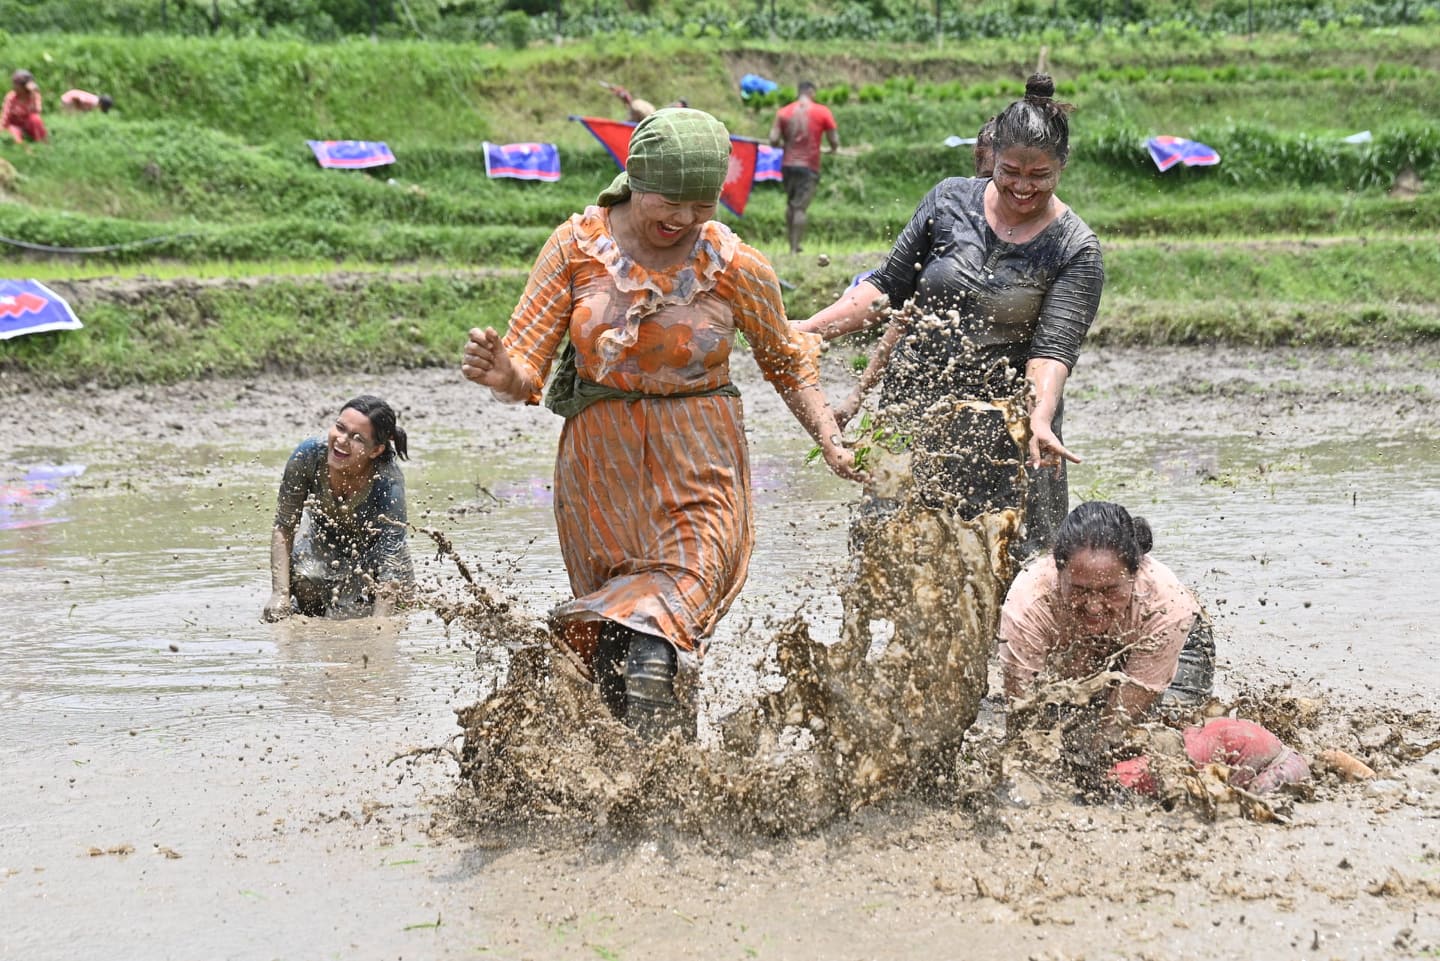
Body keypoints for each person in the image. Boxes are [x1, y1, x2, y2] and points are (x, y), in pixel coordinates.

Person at [460, 107, 861, 738]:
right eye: (668, 204)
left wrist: (830, 441)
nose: (683, 221)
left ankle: (667, 792)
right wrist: (501, 373)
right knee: (617, 648)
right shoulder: (575, 248)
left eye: (701, 208)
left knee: (662, 622)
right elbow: (527, 370)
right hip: (601, 472)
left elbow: (785, 360)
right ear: (635, 181)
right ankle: (646, 783)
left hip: (700, 461)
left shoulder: (734, 265)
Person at [796, 75, 1102, 563]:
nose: (1024, 187)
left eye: (1039, 175)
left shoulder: (1075, 248)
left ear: (1061, 167)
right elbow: (885, 288)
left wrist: (1040, 418)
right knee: (891, 555)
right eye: (1011, 171)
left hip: (1008, 431)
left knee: (1009, 565)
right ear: (992, 158)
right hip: (914, 411)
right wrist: (806, 329)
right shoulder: (948, 200)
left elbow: (1051, 351)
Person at [831, 115, 1000, 431]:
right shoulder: (952, 216)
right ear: (977, 164)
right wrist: (856, 397)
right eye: (988, 176)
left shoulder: (1041, 237)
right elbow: (904, 315)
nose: (993, 188)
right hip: (918, 391)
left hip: (993, 403)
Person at [998, 501, 1217, 723]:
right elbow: (1021, 714)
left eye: (1110, 590)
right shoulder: (1028, 605)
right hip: (1080, 652)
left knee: (1163, 728)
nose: (1094, 606)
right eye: (1079, 589)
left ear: (1135, 574)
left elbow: (1117, 724)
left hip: (1178, 645)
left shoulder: (1165, 603)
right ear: (1058, 572)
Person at [263, 395, 415, 622]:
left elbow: (390, 560)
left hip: (377, 558)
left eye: (357, 438)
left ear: (375, 450)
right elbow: (284, 526)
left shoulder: (387, 482)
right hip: (325, 544)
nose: (342, 440)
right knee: (304, 585)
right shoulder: (308, 456)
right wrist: (279, 595)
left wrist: (380, 626)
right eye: (339, 428)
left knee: (392, 611)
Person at [1109, 717, 1311, 797]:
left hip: (1280, 767)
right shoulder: (1190, 741)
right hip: (1282, 754)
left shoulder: (1191, 756)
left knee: (1253, 803)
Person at [768, 81, 839, 254]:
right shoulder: (822, 111)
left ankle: (792, 245)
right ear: (811, 92)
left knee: (791, 204)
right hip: (808, 166)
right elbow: (834, 140)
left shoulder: (783, 112)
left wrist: (784, 143)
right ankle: (794, 248)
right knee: (800, 207)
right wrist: (832, 149)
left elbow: (773, 139)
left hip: (788, 165)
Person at [3, 70, 48, 145]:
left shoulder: (34, 95)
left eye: (17, 84)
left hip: (28, 125)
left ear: (25, 86)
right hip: (15, 126)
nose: (14, 86)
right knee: (13, 132)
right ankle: (24, 149)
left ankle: (43, 144)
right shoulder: (11, 97)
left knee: (35, 119)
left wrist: (33, 94)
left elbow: (37, 111)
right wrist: (2, 129)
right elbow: (5, 116)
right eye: (14, 83)